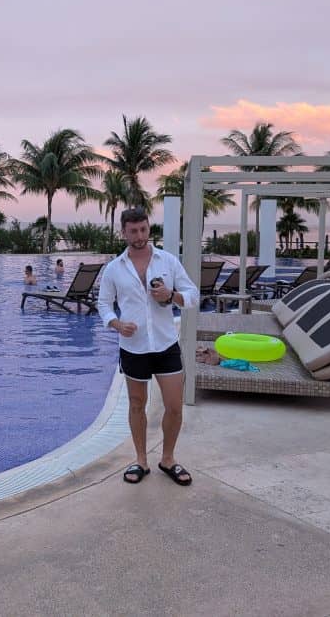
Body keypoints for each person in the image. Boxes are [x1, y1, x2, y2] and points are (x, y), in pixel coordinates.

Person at [97, 206, 199, 487]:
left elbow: (193, 295)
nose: (140, 235)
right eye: (133, 231)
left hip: (166, 344)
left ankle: (168, 459)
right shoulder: (114, 269)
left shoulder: (167, 262)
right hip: (134, 347)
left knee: (175, 406)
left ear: (148, 228)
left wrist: (172, 295)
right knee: (136, 404)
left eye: (143, 229)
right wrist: (116, 324)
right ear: (123, 232)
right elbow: (103, 304)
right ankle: (141, 460)